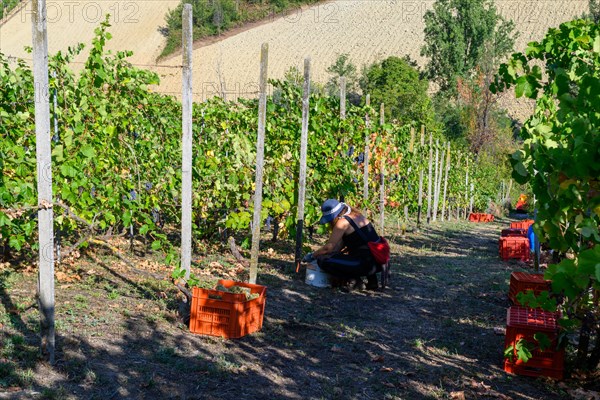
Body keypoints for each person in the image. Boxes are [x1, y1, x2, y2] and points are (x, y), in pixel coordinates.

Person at [303, 199, 382, 290]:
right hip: (377, 262)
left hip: (366, 264)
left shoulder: (342, 222)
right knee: (362, 252)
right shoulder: (357, 216)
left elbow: (329, 248)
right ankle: (372, 281)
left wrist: (313, 255)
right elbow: (338, 247)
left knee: (323, 261)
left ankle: (355, 281)